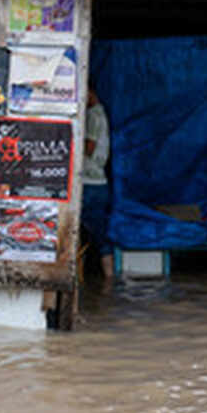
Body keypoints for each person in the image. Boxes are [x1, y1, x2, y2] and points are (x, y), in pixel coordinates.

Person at [81, 87, 115, 286]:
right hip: (98, 183)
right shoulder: (100, 115)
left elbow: (89, 147)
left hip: (89, 183)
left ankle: (106, 280)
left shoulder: (93, 115)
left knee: (84, 234)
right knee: (100, 235)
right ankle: (109, 282)